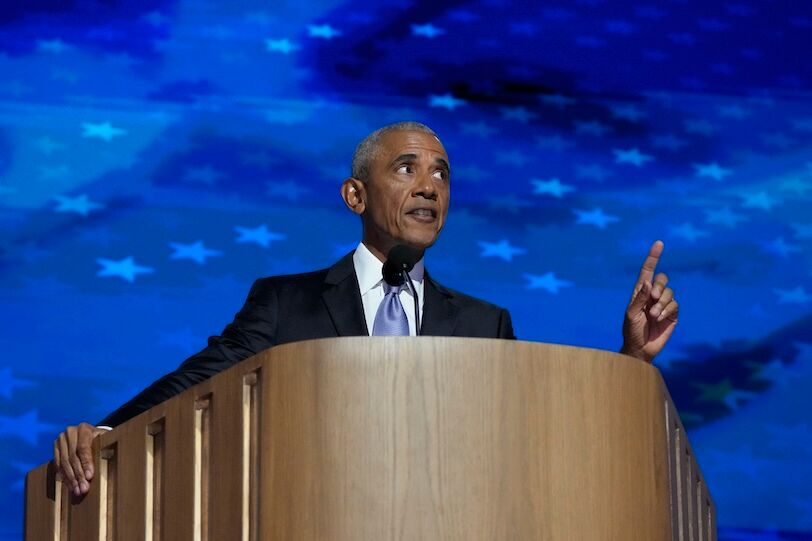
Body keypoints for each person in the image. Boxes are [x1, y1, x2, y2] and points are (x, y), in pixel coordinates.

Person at [53, 121, 678, 497]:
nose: (429, 186)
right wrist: (106, 434)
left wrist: (629, 358)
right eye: (406, 168)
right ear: (355, 194)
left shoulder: (485, 324)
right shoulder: (285, 303)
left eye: (441, 173)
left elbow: (534, 439)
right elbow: (199, 383)